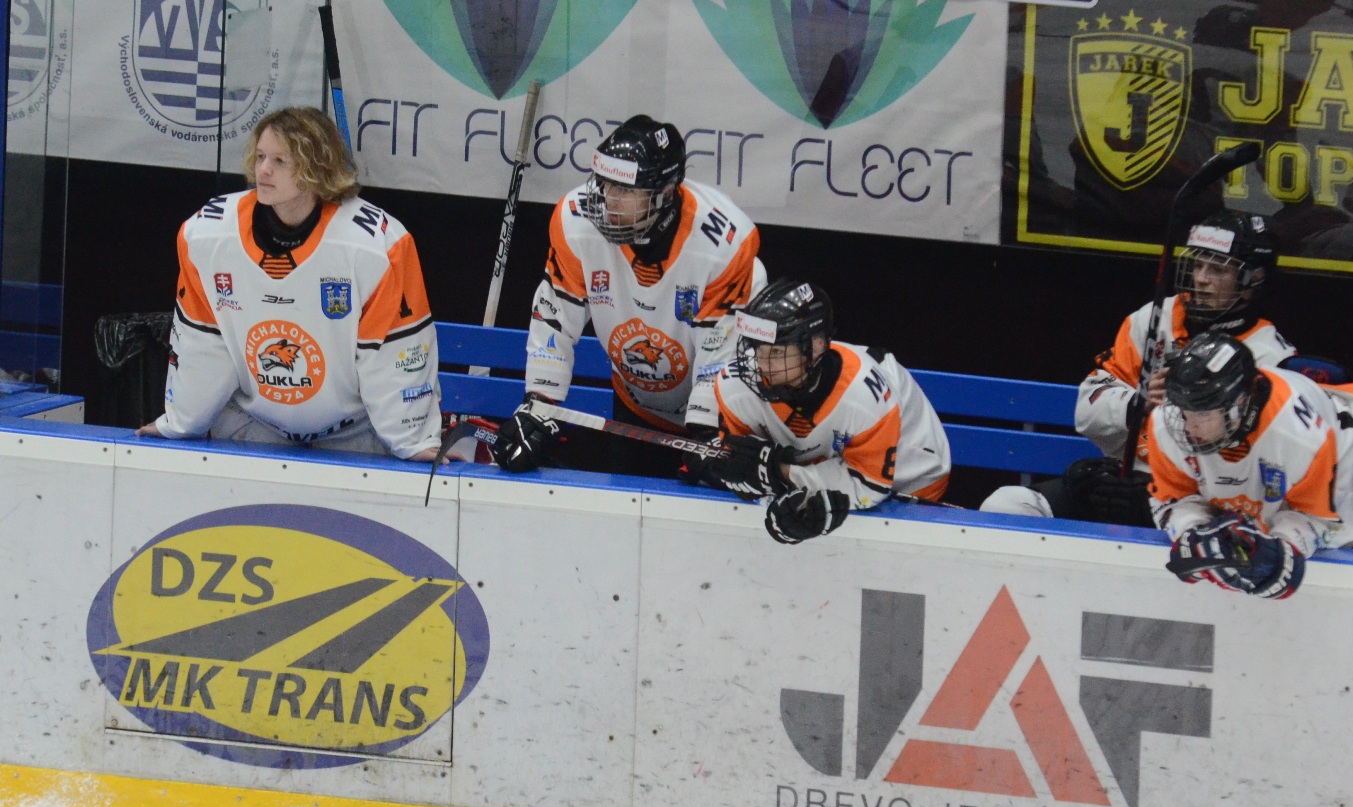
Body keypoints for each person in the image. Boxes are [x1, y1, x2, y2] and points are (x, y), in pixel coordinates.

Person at [137, 107, 444, 461]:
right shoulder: (208, 235)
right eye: (261, 157)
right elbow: (202, 342)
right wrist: (180, 421)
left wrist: (413, 441)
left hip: (353, 432)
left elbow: (395, 352)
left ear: (317, 167)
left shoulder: (376, 246)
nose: (263, 170)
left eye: (280, 161)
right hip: (254, 426)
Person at [980, 209, 1297, 524]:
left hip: (1199, 502)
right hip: (1126, 478)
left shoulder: (1272, 359)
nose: (1201, 278)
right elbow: (1087, 408)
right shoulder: (1155, 318)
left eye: (1217, 270)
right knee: (1007, 505)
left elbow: (1261, 471)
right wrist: (1137, 403)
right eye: (1198, 264)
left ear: (1254, 278)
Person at [495, 114, 761, 477]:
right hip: (636, 410)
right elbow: (554, 320)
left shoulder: (723, 245)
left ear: (665, 193)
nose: (609, 200)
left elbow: (719, 351)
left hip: (722, 417)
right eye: (605, 185)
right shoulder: (576, 222)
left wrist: (706, 433)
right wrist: (538, 407)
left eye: (625, 191)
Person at [702, 278, 951, 544]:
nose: (762, 365)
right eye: (757, 349)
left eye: (775, 352)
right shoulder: (735, 386)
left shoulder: (864, 396)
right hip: (833, 461)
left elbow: (868, 488)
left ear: (816, 346)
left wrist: (781, 474)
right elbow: (744, 468)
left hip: (910, 479)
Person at [1149, 333, 1353, 599]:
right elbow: (1173, 498)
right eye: (1183, 412)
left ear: (1239, 404)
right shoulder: (1168, 424)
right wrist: (1193, 530)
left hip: (1342, 448)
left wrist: (1284, 545)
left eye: (1202, 415)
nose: (1188, 428)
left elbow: (1317, 518)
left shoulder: (1300, 438)